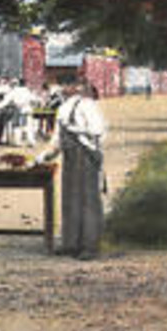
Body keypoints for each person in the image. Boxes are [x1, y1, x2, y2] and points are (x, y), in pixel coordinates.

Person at [36, 73, 109, 258]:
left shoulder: (87, 105)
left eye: (70, 84)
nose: (65, 88)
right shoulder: (62, 108)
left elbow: (99, 129)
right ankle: (71, 243)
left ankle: (90, 246)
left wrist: (77, 129)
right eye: (63, 85)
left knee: (88, 200)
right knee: (70, 199)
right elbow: (57, 140)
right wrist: (44, 156)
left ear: (78, 86)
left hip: (86, 156)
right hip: (70, 157)